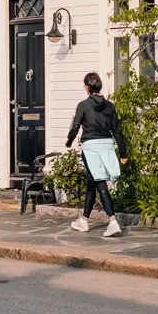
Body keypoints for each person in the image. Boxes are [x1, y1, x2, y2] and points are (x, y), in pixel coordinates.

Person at [66, 71, 128, 237]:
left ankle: (113, 222)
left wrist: (69, 141)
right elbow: (117, 131)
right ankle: (84, 220)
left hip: (91, 147)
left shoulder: (83, 105)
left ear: (87, 87)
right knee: (92, 181)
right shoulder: (110, 106)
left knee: (99, 182)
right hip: (107, 145)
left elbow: (76, 126)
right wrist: (123, 152)